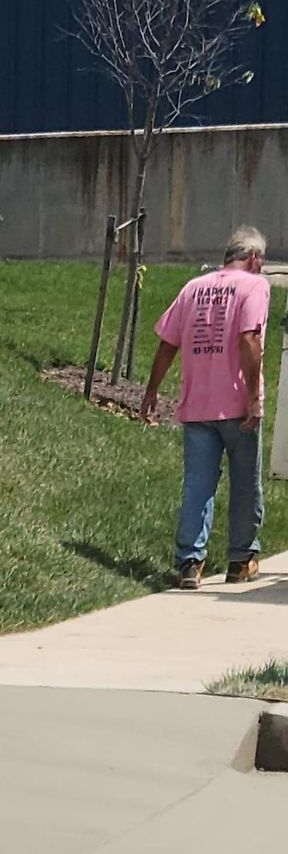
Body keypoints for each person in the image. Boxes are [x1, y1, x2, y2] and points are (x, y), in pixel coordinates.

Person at [142, 227, 271, 588]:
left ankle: (189, 564)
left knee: (198, 485)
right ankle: (240, 560)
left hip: (197, 404)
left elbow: (168, 342)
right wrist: (253, 396)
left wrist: (152, 389)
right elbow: (249, 338)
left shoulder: (193, 288)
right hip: (236, 405)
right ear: (255, 259)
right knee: (245, 484)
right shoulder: (255, 286)